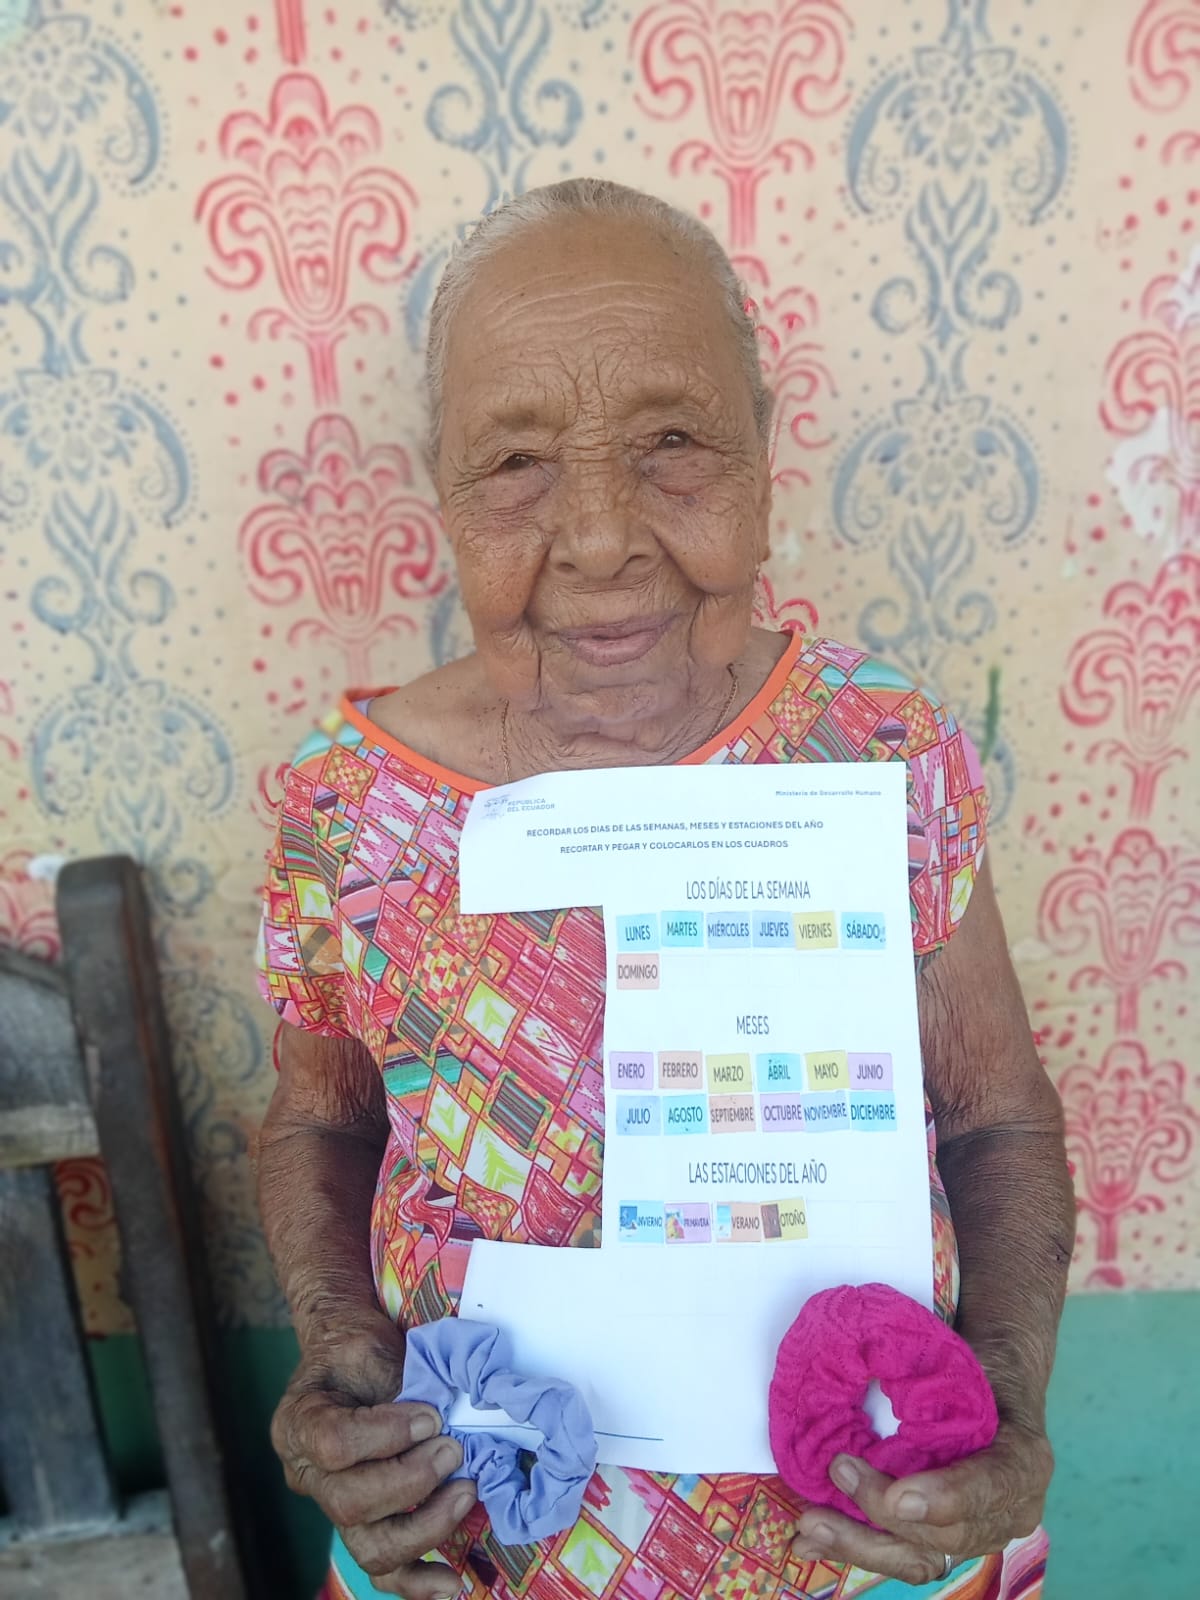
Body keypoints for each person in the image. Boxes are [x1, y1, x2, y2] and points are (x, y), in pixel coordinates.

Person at [255, 178, 1074, 1600]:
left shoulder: (882, 748)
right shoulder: (349, 799)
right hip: (482, 1553)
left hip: (872, 1552)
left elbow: (996, 1112)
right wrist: (340, 1353)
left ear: (763, 448)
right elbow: (318, 1122)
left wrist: (1005, 1408)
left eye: (674, 444)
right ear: (441, 485)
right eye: (516, 462)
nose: (598, 538)